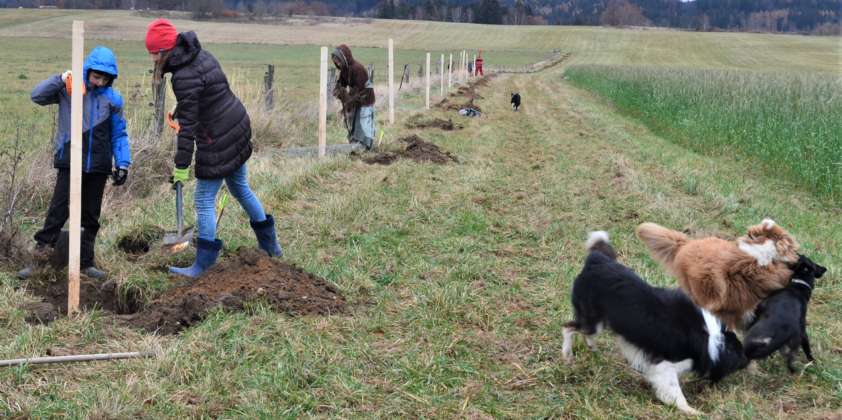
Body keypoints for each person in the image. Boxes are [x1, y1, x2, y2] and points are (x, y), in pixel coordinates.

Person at [145, 18, 282, 278]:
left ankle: (203, 266)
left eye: (153, 53)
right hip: (237, 124)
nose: (152, 58)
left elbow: (186, 129)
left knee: (204, 200)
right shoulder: (199, 54)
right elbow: (211, 91)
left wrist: (182, 166)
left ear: (164, 51)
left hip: (218, 137)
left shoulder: (183, 75)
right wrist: (183, 106)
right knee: (240, 187)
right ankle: (270, 246)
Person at [20, 46, 132, 280]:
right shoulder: (69, 90)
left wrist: (123, 163)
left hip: (99, 165)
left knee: (91, 216)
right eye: (96, 76)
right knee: (57, 211)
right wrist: (61, 79)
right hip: (69, 160)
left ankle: (85, 263)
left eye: (105, 78)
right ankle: (40, 260)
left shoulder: (113, 100)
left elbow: (119, 134)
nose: (99, 81)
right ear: (87, 71)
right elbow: (37, 96)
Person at [331, 45, 376, 150]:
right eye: (335, 62)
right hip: (355, 99)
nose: (337, 63)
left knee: (364, 122)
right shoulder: (344, 70)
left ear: (344, 58)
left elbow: (362, 90)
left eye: (338, 61)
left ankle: (367, 146)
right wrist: (338, 90)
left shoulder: (358, 68)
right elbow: (341, 83)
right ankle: (356, 144)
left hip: (366, 99)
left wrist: (349, 101)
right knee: (354, 122)